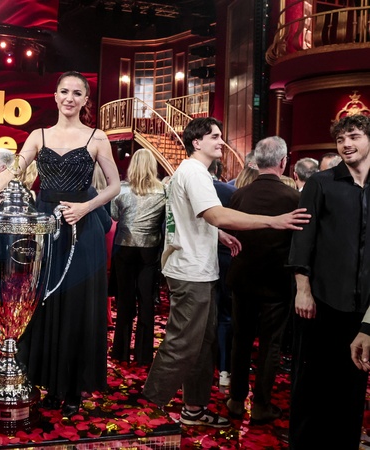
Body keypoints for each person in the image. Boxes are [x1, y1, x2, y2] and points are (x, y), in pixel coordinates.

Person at [0, 71, 121, 416]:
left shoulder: (97, 137)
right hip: (45, 228)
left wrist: (86, 207)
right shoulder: (38, 136)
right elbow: (10, 173)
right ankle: (47, 381)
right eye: (64, 91)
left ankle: (72, 388)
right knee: (42, 303)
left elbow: (114, 186)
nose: (70, 98)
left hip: (81, 227)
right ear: (55, 96)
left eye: (77, 93)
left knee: (76, 306)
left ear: (85, 100)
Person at [141, 117, 309, 428]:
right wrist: (273, 221)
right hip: (190, 271)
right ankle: (148, 413)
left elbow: (193, 216)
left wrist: (217, 234)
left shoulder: (191, 171)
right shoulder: (195, 172)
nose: (222, 141)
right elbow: (216, 214)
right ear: (197, 143)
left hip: (196, 269)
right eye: (215, 136)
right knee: (182, 343)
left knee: (202, 344)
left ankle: (193, 409)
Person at [289, 114, 370, 449]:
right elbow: (302, 240)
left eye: (353, 136)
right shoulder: (321, 183)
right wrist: (303, 290)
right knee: (312, 385)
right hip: (321, 301)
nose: (346, 144)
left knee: (354, 386)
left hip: (363, 308)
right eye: (340, 139)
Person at [224, 136, 300, 424]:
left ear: (257, 162)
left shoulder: (239, 195)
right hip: (276, 282)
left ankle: (235, 400)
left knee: (241, 341)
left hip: (243, 278)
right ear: (283, 162)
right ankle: (261, 405)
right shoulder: (294, 198)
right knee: (271, 345)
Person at [110, 148, 165, 366]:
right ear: (153, 166)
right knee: (146, 300)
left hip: (124, 247)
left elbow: (115, 215)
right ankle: (144, 355)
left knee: (124, 301)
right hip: (149, 249)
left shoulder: (121, 190)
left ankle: (121, 352)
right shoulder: (163, 191)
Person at [208, 158, 237, 388]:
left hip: (199, 259)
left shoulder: (182, 189)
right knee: (225, 315)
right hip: (226, 257)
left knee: (203, 314)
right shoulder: (231, 192)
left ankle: (202, 368)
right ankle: (224, 368)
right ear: (218, 170)